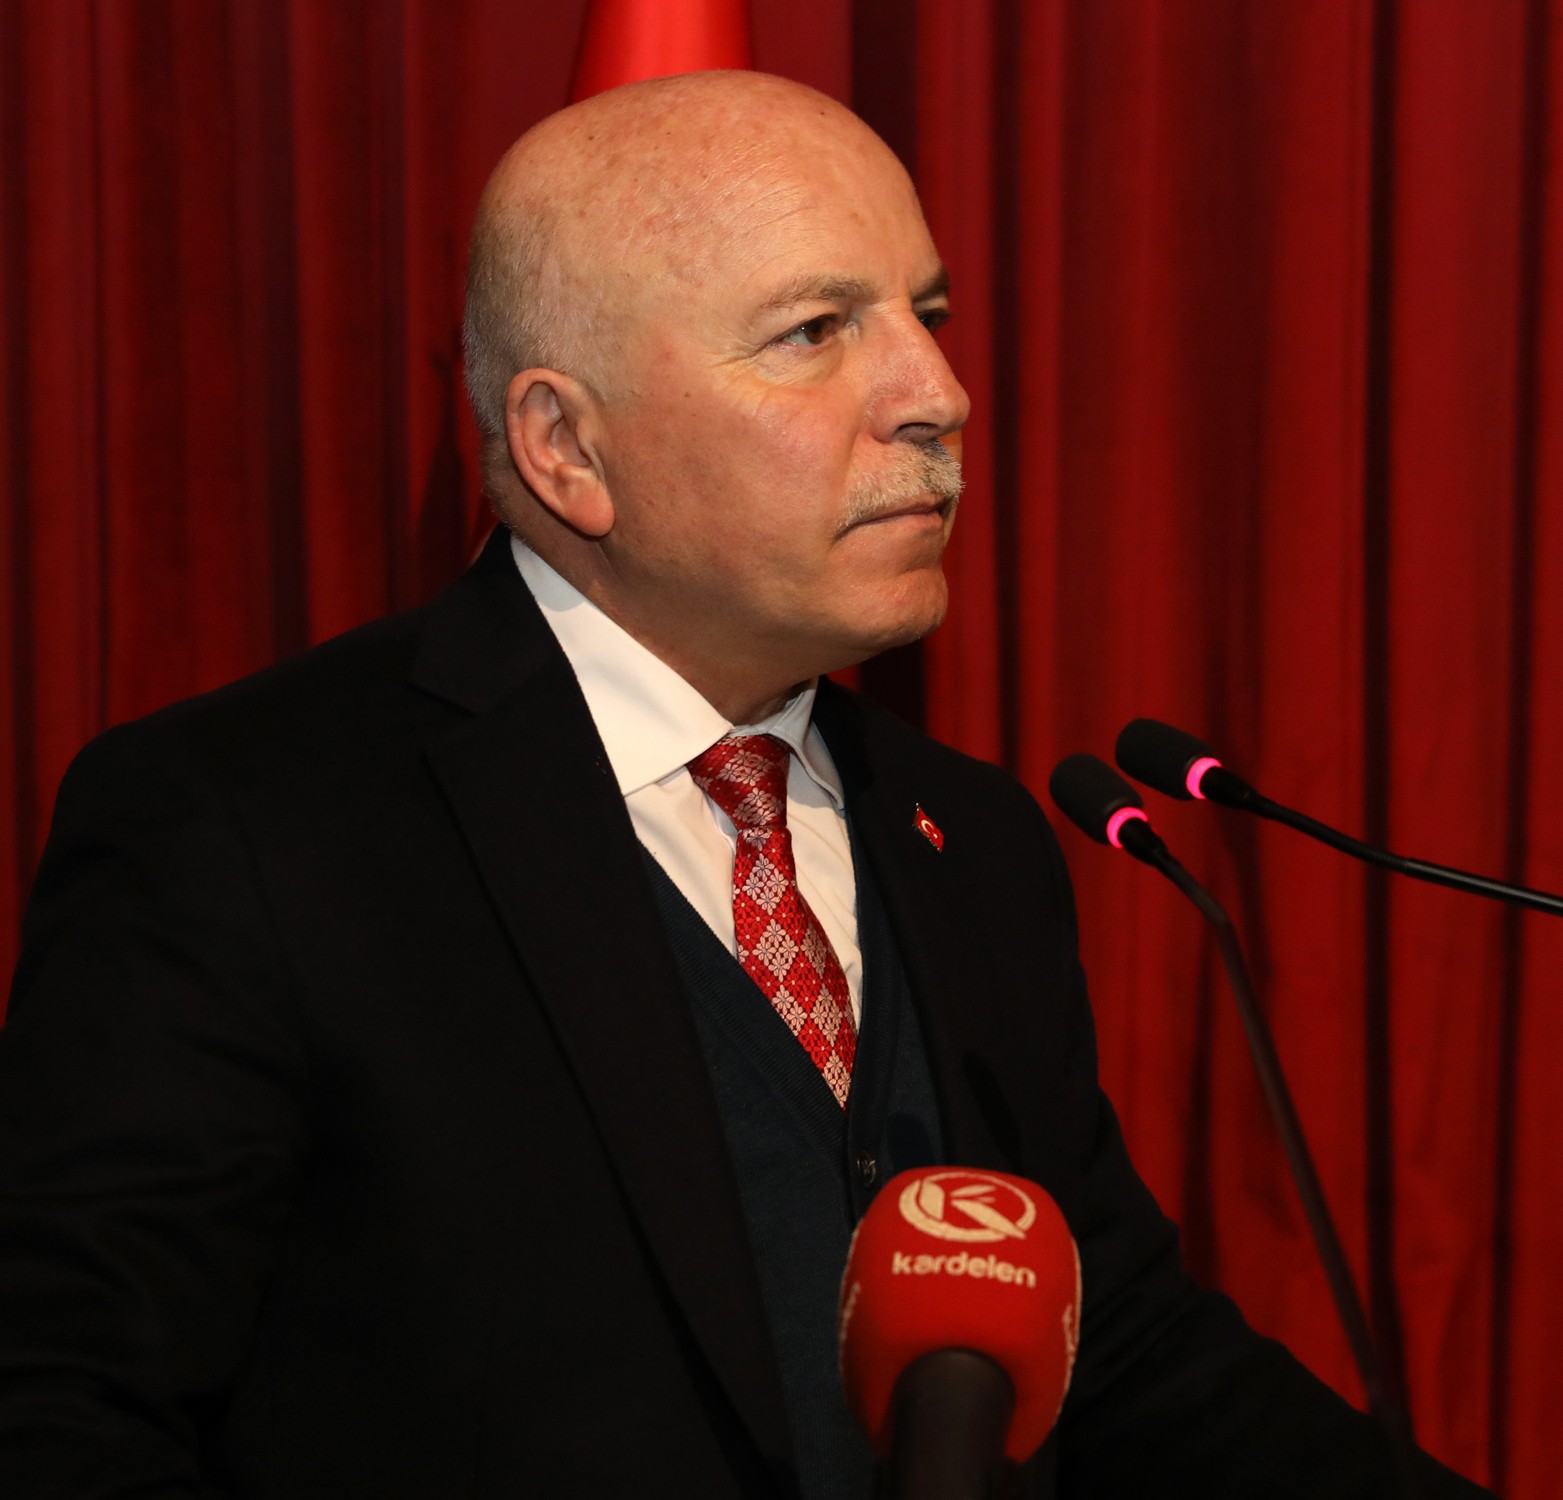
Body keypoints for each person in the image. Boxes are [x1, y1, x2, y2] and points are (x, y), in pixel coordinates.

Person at [0, 71, 1492, 1499]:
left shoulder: (974, 837)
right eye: (814, 332)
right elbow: (65, 1413)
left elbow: (1121, 1359)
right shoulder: (245, 826)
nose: (940, 395)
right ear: (567, 447)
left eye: (928, 317)